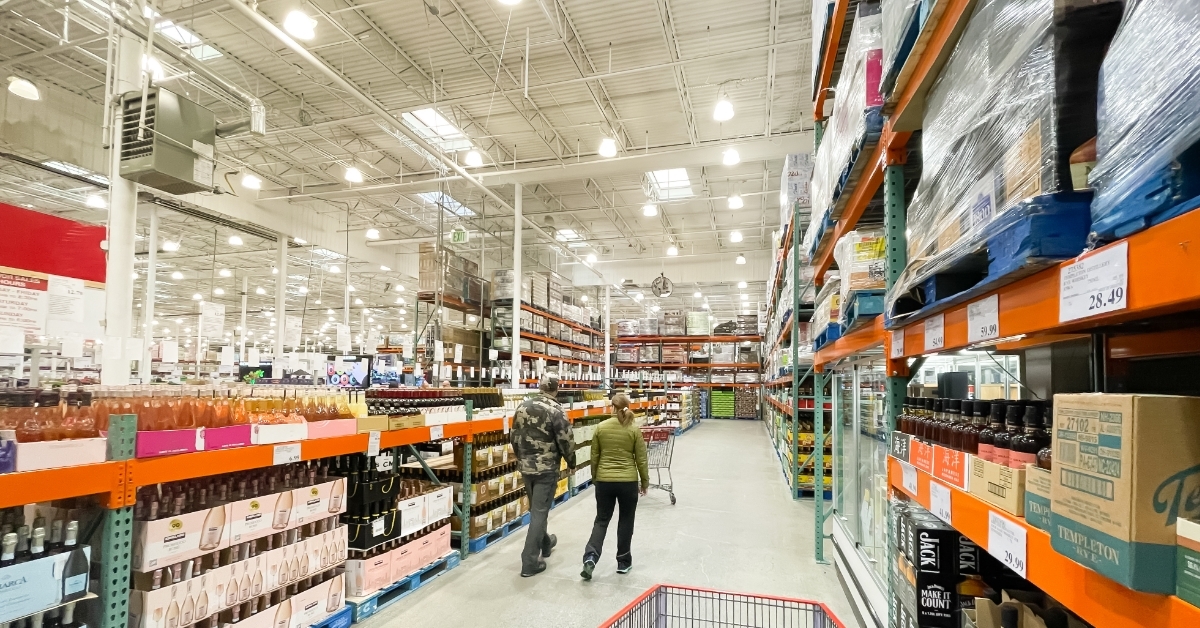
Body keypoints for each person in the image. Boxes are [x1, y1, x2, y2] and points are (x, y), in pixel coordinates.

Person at [509, 374, 575, 577]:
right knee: (539, 512)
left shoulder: (522, 407)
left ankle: (545, 543)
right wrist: (571, 462)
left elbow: (513, 436)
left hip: (526, 467)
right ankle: (529, 561)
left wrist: (521, 458)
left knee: (537, 509)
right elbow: (566, 440)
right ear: (556, 389)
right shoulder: (556, 410)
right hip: (546, 469)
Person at [581, 393, 649, 580]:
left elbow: (594, 457)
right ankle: (623, 561)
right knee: (626, 520)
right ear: (627, 407)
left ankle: (591, 557)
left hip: (604, 482)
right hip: (628, 482)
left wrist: (596, 479)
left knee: (602, 520)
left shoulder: (601, 428)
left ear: (611, 406)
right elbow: (641, 459)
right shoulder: (633, 429)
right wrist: (644, 482)